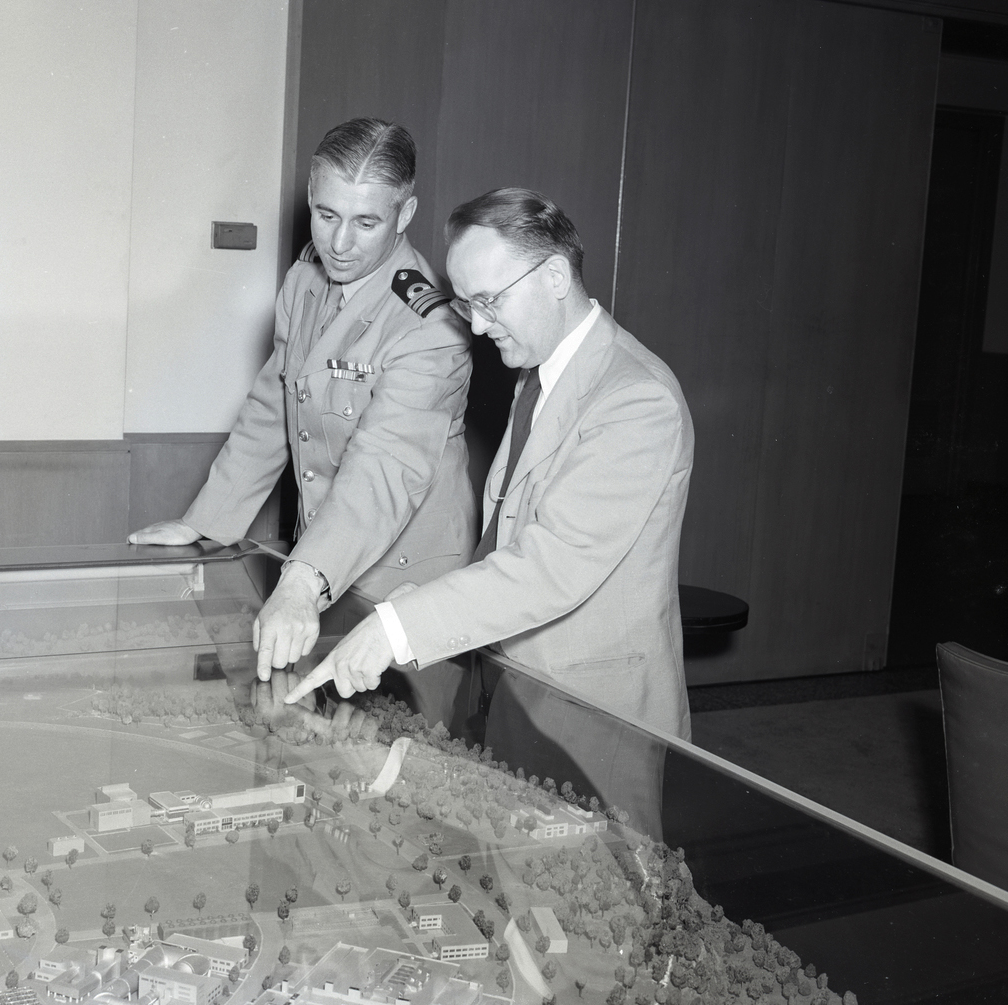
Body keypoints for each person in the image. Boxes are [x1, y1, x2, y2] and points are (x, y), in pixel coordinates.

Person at [288, 187, 695, 745]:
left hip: (595, 715)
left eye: (490, 301)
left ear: (555, 277)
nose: (476, 327)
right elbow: (506, 542)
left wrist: (397, 627)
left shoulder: (636, 399)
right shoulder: (539, 369)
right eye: (465, 304)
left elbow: (550, 567)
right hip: (517, 687)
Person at [130, 118, 476, 702]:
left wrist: (301, 580)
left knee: (392, 766)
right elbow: (274, 404)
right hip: (319, 562)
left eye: (367, 222)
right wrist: (207, 521)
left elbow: (385, 466)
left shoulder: (430, 326)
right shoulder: (306, 279)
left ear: (406, 214)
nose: (340, 244)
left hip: (401, 580)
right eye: (326, 215)